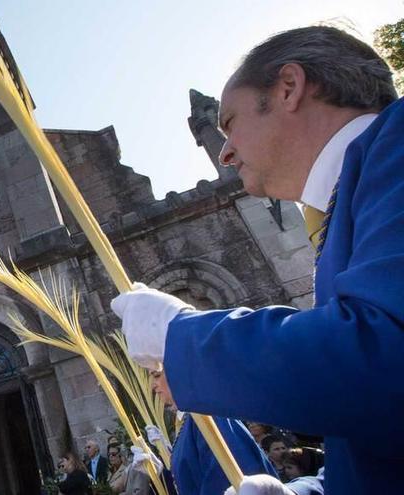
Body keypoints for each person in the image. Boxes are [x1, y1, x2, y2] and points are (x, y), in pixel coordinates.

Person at [110, 25, 401, 494]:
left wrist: (182, 335)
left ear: (288, 88)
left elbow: (387, 360)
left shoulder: (397, 150)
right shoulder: (347, 199)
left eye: (229, 123)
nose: (224, 152)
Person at [147, 370, 276, 495]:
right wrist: (161, 473)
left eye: (157, 375)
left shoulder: (206, 416)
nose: (153, 385)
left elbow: (226, 480)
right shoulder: (189, 419)